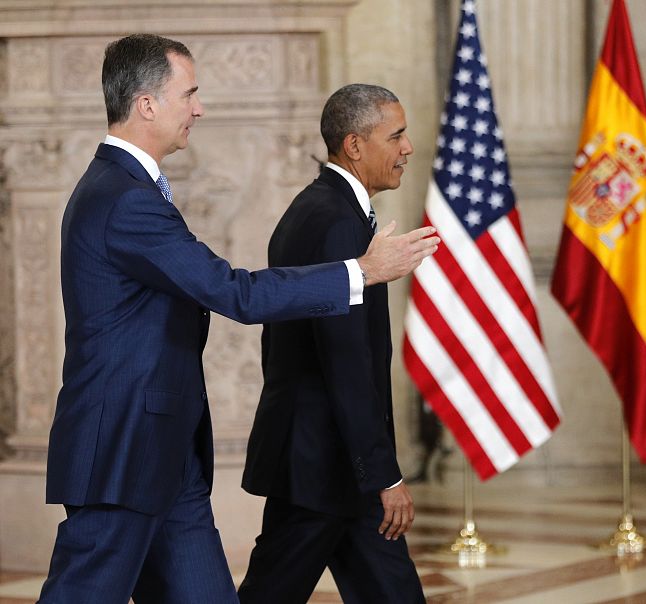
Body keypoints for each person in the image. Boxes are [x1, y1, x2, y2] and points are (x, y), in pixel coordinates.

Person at [38, 36, 437, 604]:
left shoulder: (128, 189)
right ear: (147, 104)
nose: (198, 108)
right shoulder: (123, 197)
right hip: (124, 447)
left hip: (168, 452)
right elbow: (234, 292)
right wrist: (361, 273)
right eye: (189, 94)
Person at [238, 84, 426, 604]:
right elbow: (346, 361)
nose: (407, 148)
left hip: (334, 465)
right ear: (355, 145)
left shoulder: (320, 208)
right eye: (397, 135)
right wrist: (385, 475)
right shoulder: (336, 221)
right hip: (321, 469)